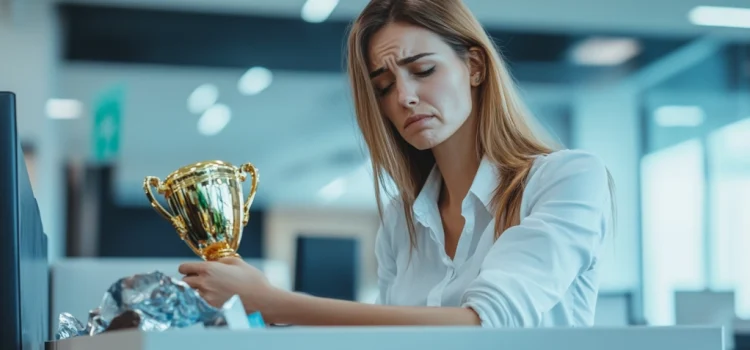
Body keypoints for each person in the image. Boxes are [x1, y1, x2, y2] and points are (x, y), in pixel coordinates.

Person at [178, 0, 615, 328]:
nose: (404, 97)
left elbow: (489, 324)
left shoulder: (567, 179)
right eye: (384, 86)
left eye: (423, 70)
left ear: (475, 66)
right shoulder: (400, 221)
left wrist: (271, 301)